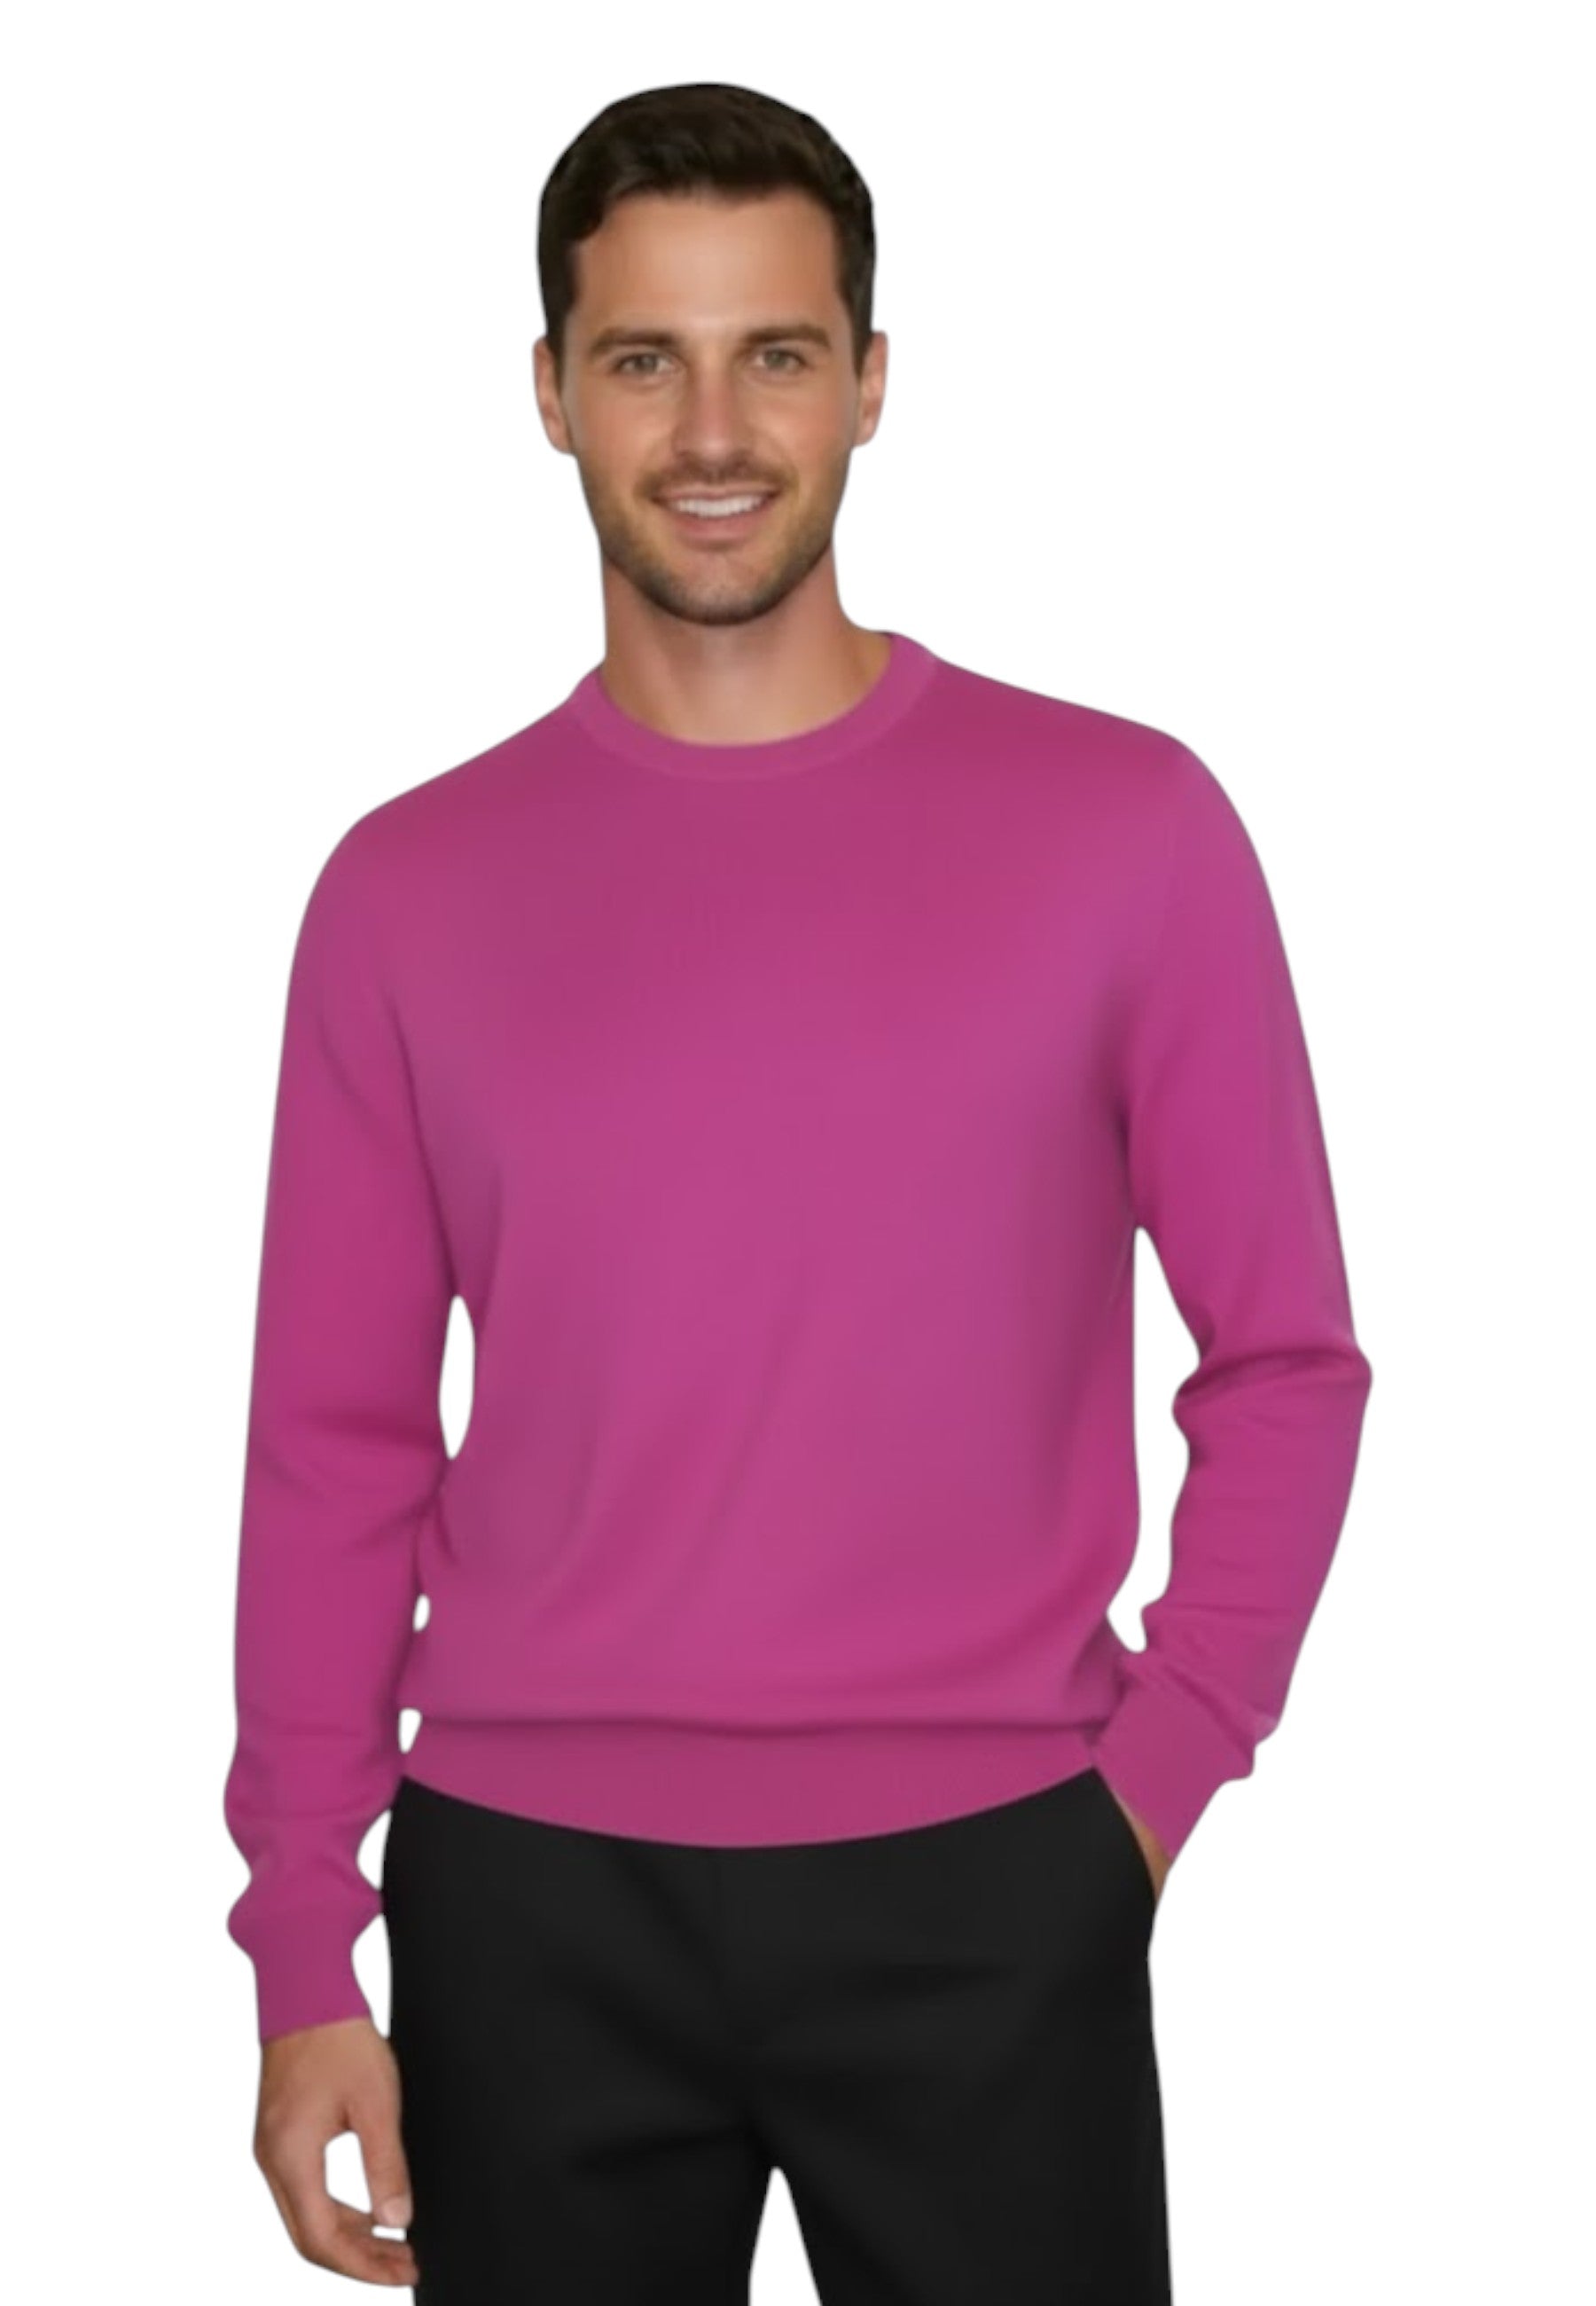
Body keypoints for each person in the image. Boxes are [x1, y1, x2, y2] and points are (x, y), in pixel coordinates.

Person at [223, 79, 1373, 2302]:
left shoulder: (1126, 829)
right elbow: (334, 1448)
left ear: (870, 378)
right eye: (642, 359)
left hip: (992, 1872)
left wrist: (1149, 1786)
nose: (712, 430)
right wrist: (300, 1945)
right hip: (528, 1894)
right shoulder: (404, 891)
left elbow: (1287, 1363)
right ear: (549, 393)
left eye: (773, 352)